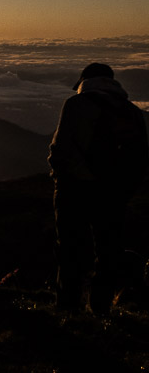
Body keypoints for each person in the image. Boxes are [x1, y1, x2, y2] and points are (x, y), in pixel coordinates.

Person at [49, 63, 149, 315]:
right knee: (109, 248)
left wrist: (69, 178)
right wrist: (123, 191)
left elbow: (61, 150)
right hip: (114, 192)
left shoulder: (77, 104)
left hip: (75, 189)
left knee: (71, 246)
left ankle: (68, 306)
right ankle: (101, 305)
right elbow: (141, 159)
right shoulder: (132, 111)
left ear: (84, 80)